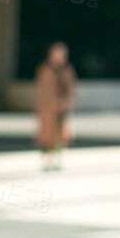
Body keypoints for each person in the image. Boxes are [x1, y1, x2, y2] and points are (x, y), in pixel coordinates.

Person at [34, 41, 76, 171]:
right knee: (47, 136)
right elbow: (43, 89)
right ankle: (47, 161)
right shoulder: (45, 69)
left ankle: (57, 160)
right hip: (47, 109)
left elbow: (70, 89)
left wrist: (66, 103)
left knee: (60, 136)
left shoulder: (67, 70)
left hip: (62, 109)